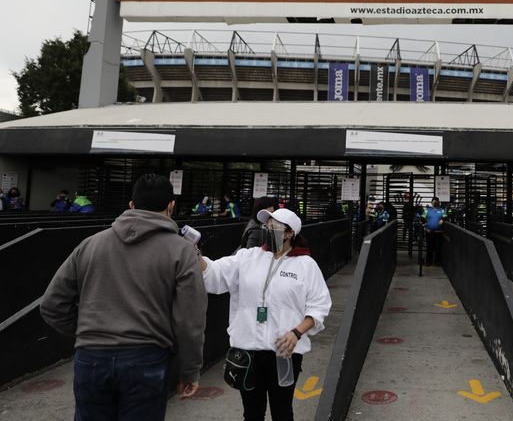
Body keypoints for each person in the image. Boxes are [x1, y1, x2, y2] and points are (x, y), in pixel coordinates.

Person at [39, 174, 208, 420]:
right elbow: (190, 320)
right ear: (171, 205)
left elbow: (52, 305)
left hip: (91, 356)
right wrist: (190, 370)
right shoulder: (181, 251)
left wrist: (88, 330)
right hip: (147, 358)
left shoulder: (91, 244)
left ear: (131, 205)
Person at [198, 208, 331, 421]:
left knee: (282, 412)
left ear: (289, 233)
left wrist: (296, 333)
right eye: (267, 223)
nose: (268, 227)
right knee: (251, 414)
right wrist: (195, 255)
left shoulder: (306, 265)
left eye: (274, 224)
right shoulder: (246, 257)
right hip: (248, 352)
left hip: (283, 353)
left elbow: (319, 306)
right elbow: (214, 274)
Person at [422, 197, 447, 266]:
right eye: (434, 201)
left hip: (438, 232)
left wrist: (442, 219)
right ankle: (428, 262)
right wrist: (425, 227)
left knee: (438, 248)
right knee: (429, 248)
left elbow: (445, 217)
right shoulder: (427, 210)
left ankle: (437, 262)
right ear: (431, 202)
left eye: (436, 201)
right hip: (429, 232)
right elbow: (422, 218)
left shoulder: (441, 210)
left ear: (438, 203)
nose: (435, 202)